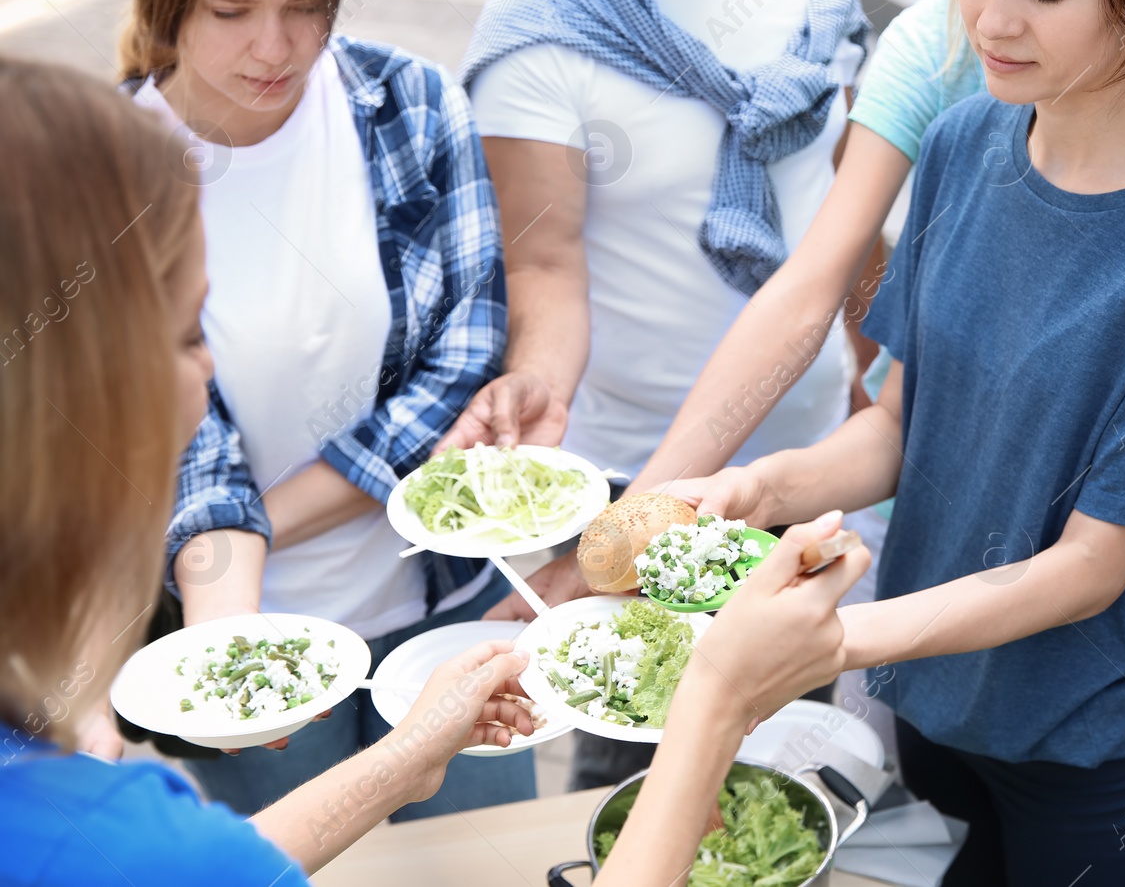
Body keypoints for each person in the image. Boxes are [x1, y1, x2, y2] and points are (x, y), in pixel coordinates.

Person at [0, 57, 869, 887]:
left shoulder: (93, 807)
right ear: (82, 391)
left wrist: (406, 758)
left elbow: (224, 862)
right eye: (193, 335)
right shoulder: (98, 832)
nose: (210, 378)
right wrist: (716, 693)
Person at [667, 0, 1125, 880]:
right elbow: (905, 427)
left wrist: (835, 644)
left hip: (1092, 765)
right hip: (937, 705)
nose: (992, 20)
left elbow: (1090, 570)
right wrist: (760, 482)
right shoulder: (963, 143)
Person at [444, 0, 872, 787]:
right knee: (641, 773)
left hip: (798, 462)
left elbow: (845, 200)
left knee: (778, 770)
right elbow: (546, 267)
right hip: (634, 481)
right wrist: (534, 383)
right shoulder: (544, 25)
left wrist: (864, 373)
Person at [117, 0, 525, 818]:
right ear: (166, 0)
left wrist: (258, 520)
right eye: (230, 11)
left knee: (493, 855)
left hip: (443, 609)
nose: (276, 47)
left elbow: (461, 364)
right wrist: (230, 643)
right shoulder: (110, 170)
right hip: (255, 630)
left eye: (308, 7)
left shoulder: (414, 107)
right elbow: (181, 443)